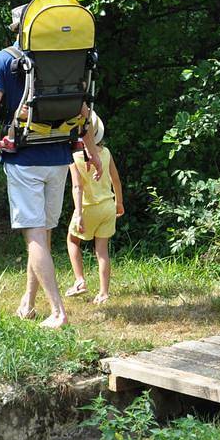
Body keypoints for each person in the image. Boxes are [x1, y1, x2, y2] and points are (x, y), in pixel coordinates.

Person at [0, 4, 102, 329]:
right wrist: (93, 151)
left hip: (24, 159)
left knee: (35, 236)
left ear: (19, 29)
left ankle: (58, 312)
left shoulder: (3, 60)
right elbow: (82, 111)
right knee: (43, 234)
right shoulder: (67, 61)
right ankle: (28, 304)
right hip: (59, 157)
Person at [65, 115, 123, 304]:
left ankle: (80, 280)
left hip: (88, 207)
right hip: (108, 206)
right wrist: (119, 203)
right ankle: (104, 293)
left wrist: (79, 214)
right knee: (102, 251)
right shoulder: (105, 153)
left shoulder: (72, 157)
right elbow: (116, 179)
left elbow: (77, 187)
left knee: (73, 240)